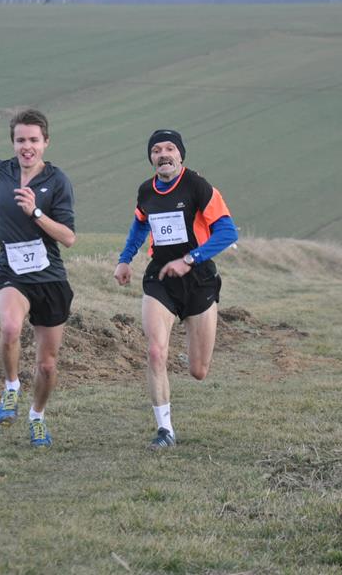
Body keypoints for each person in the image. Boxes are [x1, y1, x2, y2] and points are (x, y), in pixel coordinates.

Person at [114, 129, 238, 450]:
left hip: (199, 280)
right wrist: (125, 259)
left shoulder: (198, 186)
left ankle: (193, 344)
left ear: (180, 155)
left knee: (198, 371)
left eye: (170, 148)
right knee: (156, 351)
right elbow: (140, 224)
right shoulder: (146, 191)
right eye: (156, 150)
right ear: (151, 158)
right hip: (161, 278)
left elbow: (228, 232)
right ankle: (165, 430)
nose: (163, 154)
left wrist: (190, 259)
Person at [0, 108, 76, 448]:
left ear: (45, 143)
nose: (27, 146)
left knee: (47, 366)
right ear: (13, 143)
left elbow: (68, 237)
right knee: (11, 328)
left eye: (33, 140)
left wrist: (36, 212)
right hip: (11, 271)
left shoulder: (57, 181)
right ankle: (11, 386)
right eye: (20, 140)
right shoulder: (0, 172)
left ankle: (37, 417)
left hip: (50, 278)